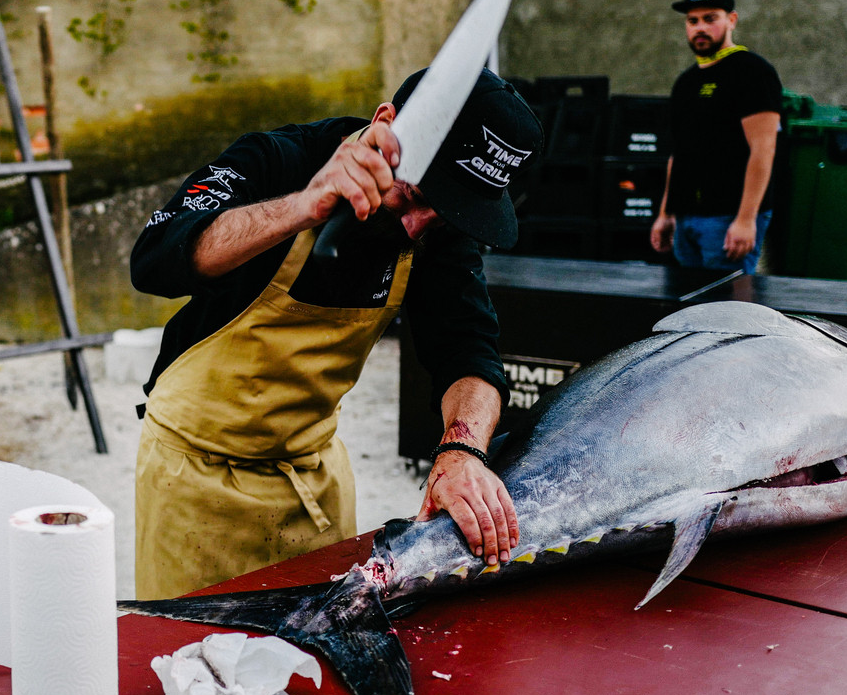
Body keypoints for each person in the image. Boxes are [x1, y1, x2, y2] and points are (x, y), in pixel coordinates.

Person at [128, 70, 544, 601]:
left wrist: (462, 453)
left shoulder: (435, 228)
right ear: (385, 123)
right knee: (192, 666)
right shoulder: (277, 159)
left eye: (439, 215)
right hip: (192, 478)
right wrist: (303, 205)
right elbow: (155, 259)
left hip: (313, 479)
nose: (416, 227)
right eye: (412, 194)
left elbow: (468, 349)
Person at [650, 0, 783, 273]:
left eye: (710, 19)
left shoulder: (753, 72)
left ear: (731, 20)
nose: (700, 28)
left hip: (728, 219)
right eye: (692, 21)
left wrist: (746, 219)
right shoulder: (685, 82)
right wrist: (666, 213)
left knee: (727, 309)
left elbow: (764, 150)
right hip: (686, 217)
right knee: (689, 308)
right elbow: (679, 154)